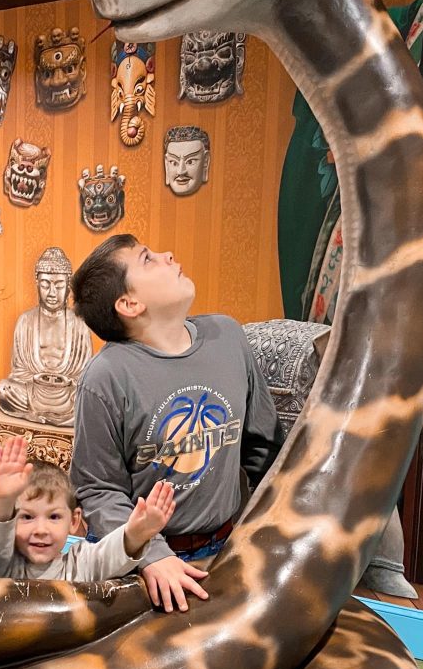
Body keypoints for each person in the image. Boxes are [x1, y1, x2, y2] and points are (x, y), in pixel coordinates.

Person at [70, 234, 282, 614]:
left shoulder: (228, 335)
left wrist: (261, 531)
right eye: (148, 259)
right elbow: (98, 489)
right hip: (135, 565)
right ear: (129, 303)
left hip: (226, 547)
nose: (168, 254)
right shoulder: (105, 378)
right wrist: (151, 555)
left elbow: (264, 445)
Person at [0, 436, 175, 581]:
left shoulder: (80, 563)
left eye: (53, 517)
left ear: (74, 520)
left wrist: (136, 534)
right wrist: (3, 499)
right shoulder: (6, 564)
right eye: (27, 517)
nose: (41, 530)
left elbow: (108, 557)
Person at [0, 246, 93, 426]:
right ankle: (45, 416)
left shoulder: (80, 324)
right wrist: (38, 382)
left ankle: (45, 415)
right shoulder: (25, 321)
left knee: (89, 398)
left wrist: (65, 383)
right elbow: (18, 371)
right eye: (46, 284)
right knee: (4, 389)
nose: (52, 293)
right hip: (33, 392)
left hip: (66, 396)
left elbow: (85, 375)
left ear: (68, 285)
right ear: (37, 283)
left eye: (58, 285)